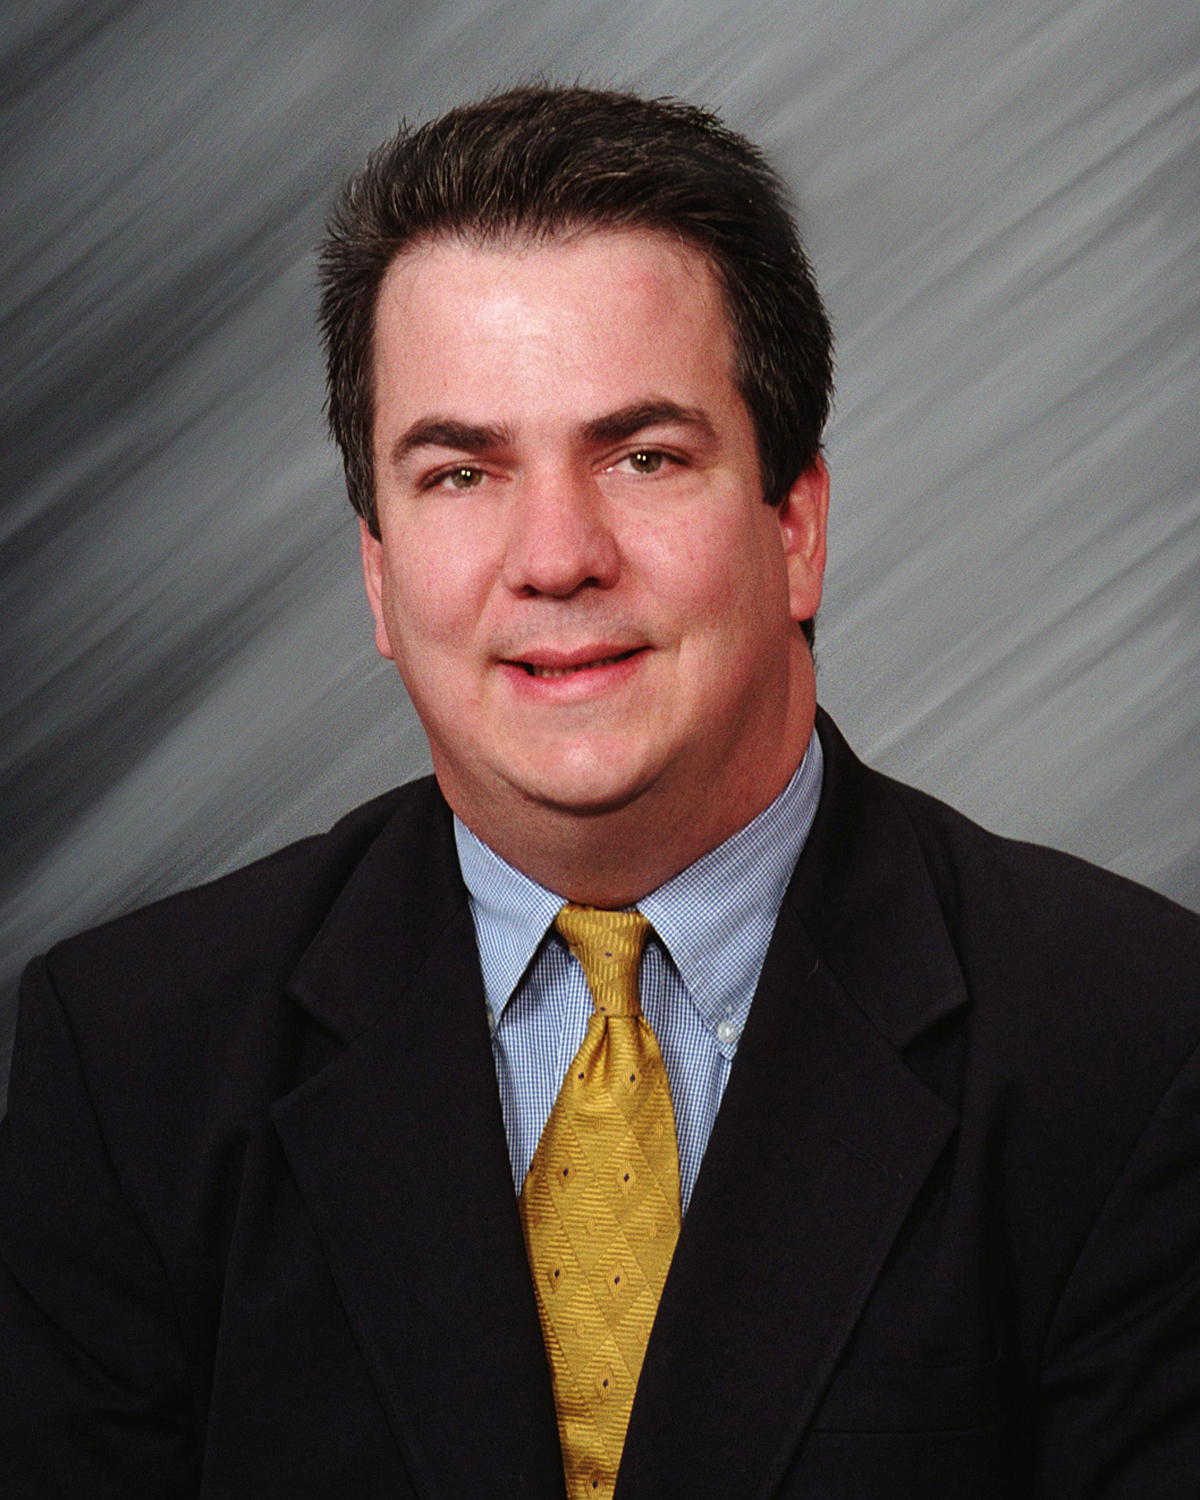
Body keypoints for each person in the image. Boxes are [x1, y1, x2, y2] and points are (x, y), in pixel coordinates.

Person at [1, 84, 1198, 1500]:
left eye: (643, 456)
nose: (557, 555)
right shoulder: (131, 1063)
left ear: (796, 527)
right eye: (461, 473)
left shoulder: (1135, 1045)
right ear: (379, 576)